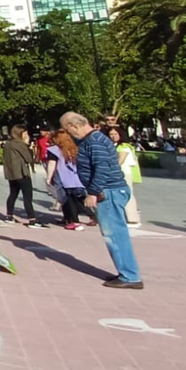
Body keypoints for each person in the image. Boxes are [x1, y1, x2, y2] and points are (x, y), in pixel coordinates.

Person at [63, 112, 142, 289]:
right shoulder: (93, 139)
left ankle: (130, 276)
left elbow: (102, 168)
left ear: (74, 126)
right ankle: (125, 272)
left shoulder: (95, 141)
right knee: (114, 235)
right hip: (109, 190)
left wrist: (93, 192)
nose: (68, 134)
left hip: (108, 191)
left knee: (115, 235)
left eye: (67, 130)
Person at [46, 129, 90, 230]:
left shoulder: (54, 150)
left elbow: (52, 164)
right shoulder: (76, 149)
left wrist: (49, 177)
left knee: (68, 200)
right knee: (76, 199)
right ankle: (69, 219)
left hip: (63, 178)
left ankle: (74, 221)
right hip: (76, 178)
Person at [1, 125, 43, 226]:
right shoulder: (20, 144)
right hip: (22, 173)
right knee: (27, 197)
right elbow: (28, 159)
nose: (27, 135)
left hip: (12, 173)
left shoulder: (8, 144)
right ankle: (32, 219)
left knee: (13, 194)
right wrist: (29, 147)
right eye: (25, 133)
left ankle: (9, 215)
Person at [111, 128, 142, 227]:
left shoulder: (124, 147)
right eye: (111, 134)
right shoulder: (115, 145)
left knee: (128, 195)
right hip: (120, 173)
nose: (113, 136)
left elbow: (121, 160)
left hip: (125, 173)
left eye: (115, 134)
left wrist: (110, 169)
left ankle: (133, 219)